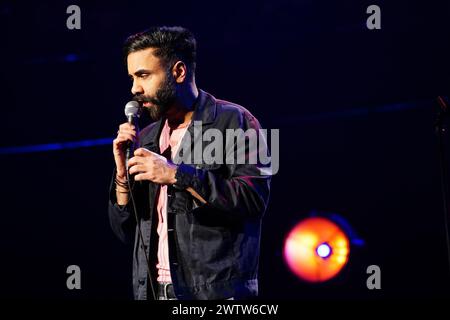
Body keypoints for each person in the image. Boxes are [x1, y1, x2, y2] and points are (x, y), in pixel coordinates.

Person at [108, 26, 271, 300]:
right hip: (151, 291)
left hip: (215, 293)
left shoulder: (237, 121)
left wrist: (176, 174)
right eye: (132, 77)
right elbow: (125, 231)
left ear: (179, 72)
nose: (134, 88)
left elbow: (253, 201)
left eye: (144, 75)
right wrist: (122, 176)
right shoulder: (146, 137)